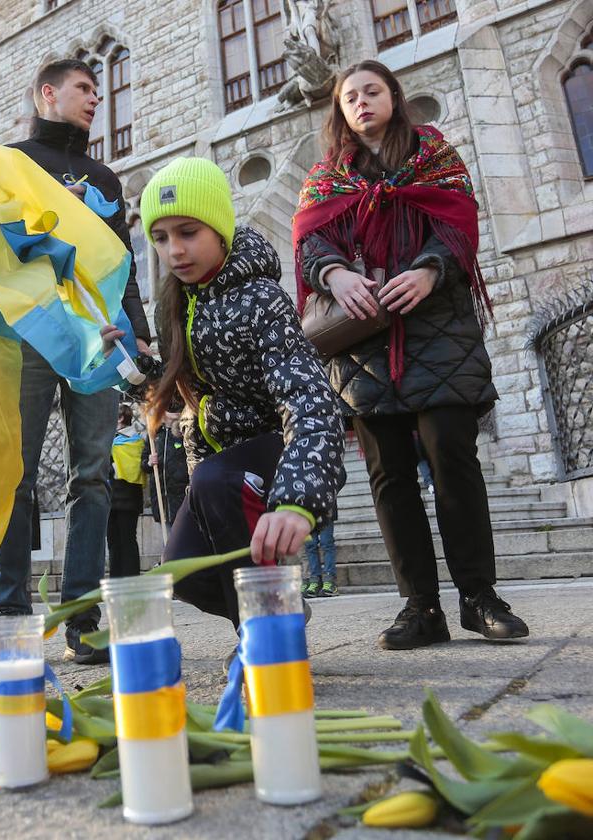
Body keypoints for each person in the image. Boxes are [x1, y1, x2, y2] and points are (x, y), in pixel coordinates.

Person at [292, 60, 529, 649]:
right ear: (340, 111)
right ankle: (420, 606)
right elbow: (308, 238)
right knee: (389, 475)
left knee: (453, 460)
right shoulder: (327, 176)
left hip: (438, 332)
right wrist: (334, 273)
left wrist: (430, 270)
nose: (362, 102)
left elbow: (459, 227)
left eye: (373, 91)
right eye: (351, 97)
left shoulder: (436, 156)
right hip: (364, 342)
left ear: (394, 98)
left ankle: (479, 598)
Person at [127, 157, 345, 629]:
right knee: (182, 576)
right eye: (160, 238)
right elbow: (182, 378)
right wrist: (136, 362)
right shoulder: (180, 299)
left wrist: (298, 498)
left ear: (220, 229)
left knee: (215, 479)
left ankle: (265, 638)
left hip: (269, 455)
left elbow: (310, 399)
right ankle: (277, 609)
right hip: (212, 459)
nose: (174, 250)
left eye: (188, 232)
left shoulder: (261, 298)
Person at [0, 58, 154, 665]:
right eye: (84, 88)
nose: (95, 99)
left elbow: (124, 263)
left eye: (98, 90)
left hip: (98, 338)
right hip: (30, 334)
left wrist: (137, 330)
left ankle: (83, 615)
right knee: (17, 474)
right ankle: (8, 611)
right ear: (47, 93)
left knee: (94, 477)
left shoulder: (106, 179)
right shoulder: (10, 163)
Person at [106, 404, 145, 578]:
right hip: (111, 496)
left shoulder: (135, 441)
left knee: (127, 539)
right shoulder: (110, 440)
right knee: (113, 540)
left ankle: (131, 577)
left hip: (127, 497)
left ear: (121, 418)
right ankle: (116, 579)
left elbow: (133, 467)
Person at [141, 410, 190, 530]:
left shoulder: (185, 430)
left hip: (181, 496)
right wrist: (149, 462)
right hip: (161, 496)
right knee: (168, 541)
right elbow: (143, 464)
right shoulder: (154, 434)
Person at [302, 521, 338, 597]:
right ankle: (315, 580)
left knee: (326, 543)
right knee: (310, 545)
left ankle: (329, 581)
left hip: (325, 511)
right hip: (308, 513)